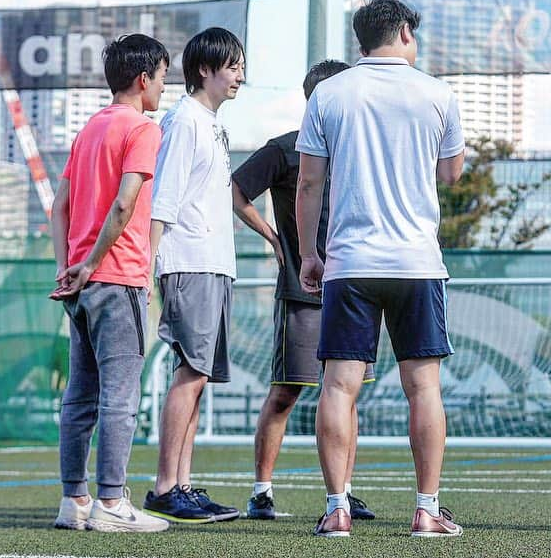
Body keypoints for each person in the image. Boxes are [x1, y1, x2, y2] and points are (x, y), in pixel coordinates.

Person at [295, 0, 466, 538]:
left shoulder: (329, 92)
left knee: (339, 387)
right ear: (406, 35)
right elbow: (453, 175)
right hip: (417, 262)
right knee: (424, 388)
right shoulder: (438, 94)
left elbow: (308, 183)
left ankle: (337, 508)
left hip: (350, 262)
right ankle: (426, 509)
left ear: (359, 42)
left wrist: (307, 254)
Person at [231, 59, 376, 521]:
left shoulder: (360, 149)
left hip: (353, 288)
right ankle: (261, 492)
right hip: (302, 290)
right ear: (317, 99)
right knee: (286, 392)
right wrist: (273, 238)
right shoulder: (284, 150)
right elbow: (235, 190)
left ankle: (343, 492)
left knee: (348, 392)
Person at [49, 33, 170, 533]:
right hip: (116, 279)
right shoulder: (142, 129)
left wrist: (70, 267)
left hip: (79, 284)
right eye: (164, 78)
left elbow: (59, 206)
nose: (164, 88)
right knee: (120, 396)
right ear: (144, 79)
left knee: (80, 397)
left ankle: (74, 501)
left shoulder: (89, 129)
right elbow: (124, 205)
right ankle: (113, 504)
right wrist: (96, 261)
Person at [143, 27, 245, 525]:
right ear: (205, 68)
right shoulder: (183, 120)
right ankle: (166, 486)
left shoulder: (209, 123)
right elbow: (163, 197)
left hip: (213, 263)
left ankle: (181, 484)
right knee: (190, 371)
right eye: (232, 65)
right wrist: (149, 265)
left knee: (199, 375)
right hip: (188, 261)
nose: (240, 75)